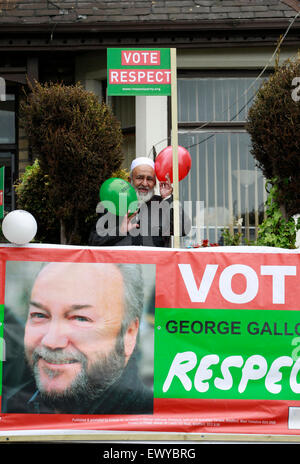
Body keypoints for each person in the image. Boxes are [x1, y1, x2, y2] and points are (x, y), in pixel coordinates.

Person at [3, 262, 153, 415]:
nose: (51, 341)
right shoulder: (13, 406)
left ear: (129, 333)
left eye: (80, 318)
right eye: (39, 315)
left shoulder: (149, 426)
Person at [88, 157, 191, 247]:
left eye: (149, 179)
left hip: (156, 267)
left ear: (154, 183)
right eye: (140, 178)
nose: (145, 183)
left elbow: (184, 229)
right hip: (121, 267)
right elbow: (94, 241)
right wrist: (120, 231)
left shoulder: (163, 204)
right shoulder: (116, 204)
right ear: (130, 180)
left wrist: (168, 198)